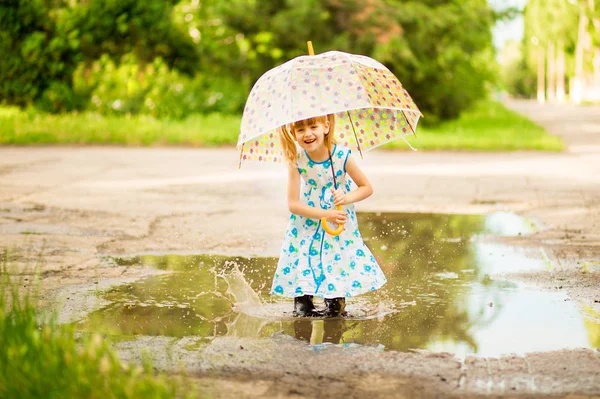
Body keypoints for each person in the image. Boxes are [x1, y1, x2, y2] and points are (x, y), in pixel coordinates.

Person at [271, 113, 387, 317]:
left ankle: (334, 301)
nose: (307, 134)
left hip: (337, 221)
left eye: (313, 127)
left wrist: (346, 198)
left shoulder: (341, 156)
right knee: (305, 255)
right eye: (300, 129)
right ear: (293, 133)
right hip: (308, 220)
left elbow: (366, 187)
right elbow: (293, 204)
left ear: (326, 127)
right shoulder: (296, 160)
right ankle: (303, 301)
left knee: (335, 257)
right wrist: (326, 213)